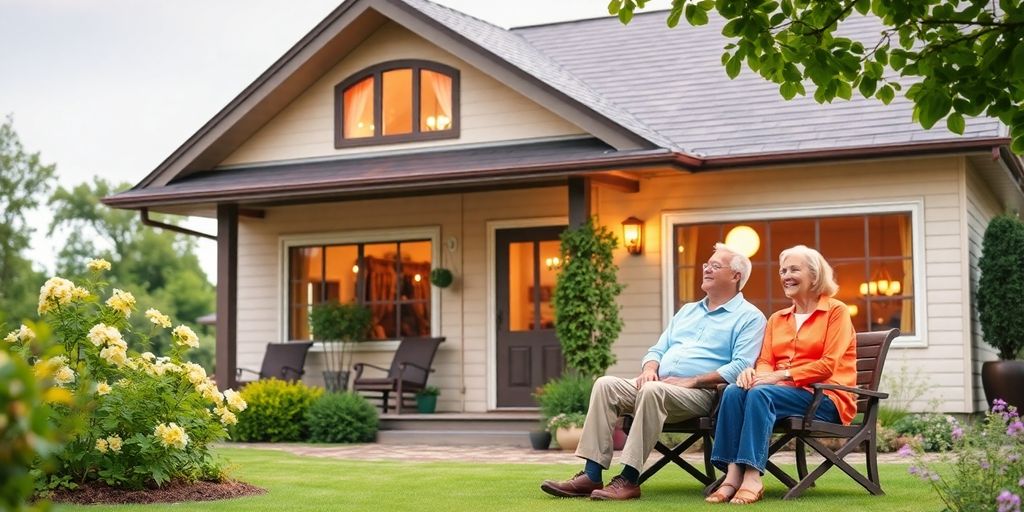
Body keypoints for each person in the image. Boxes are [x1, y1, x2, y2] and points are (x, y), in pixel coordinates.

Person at [540, 243, 767, 500]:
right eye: (706, 264)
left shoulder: (750, 317)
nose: (706, 269)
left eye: (715, 266)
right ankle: (591, 474)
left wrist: (692, 380)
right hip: (660, 386)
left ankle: (628, 479)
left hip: (703, 395)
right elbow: (656, 350)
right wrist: (650, 368)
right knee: (605, 384)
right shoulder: (688, 311)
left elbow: (740, 366)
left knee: (652, 389)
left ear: (736, 276)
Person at [706, 245, 857, 505]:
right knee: (733, 391)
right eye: (783, 270)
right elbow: (765, 361)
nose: (786, 275)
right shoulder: (777, 318)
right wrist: (757, 376)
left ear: (814, 274)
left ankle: (752, 476)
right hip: (781, 394)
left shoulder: (836, 311)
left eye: (794, 269)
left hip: (825, 397)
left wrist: (779, 376)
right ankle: (732, 476)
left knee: (762, 393)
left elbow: (828, 364)